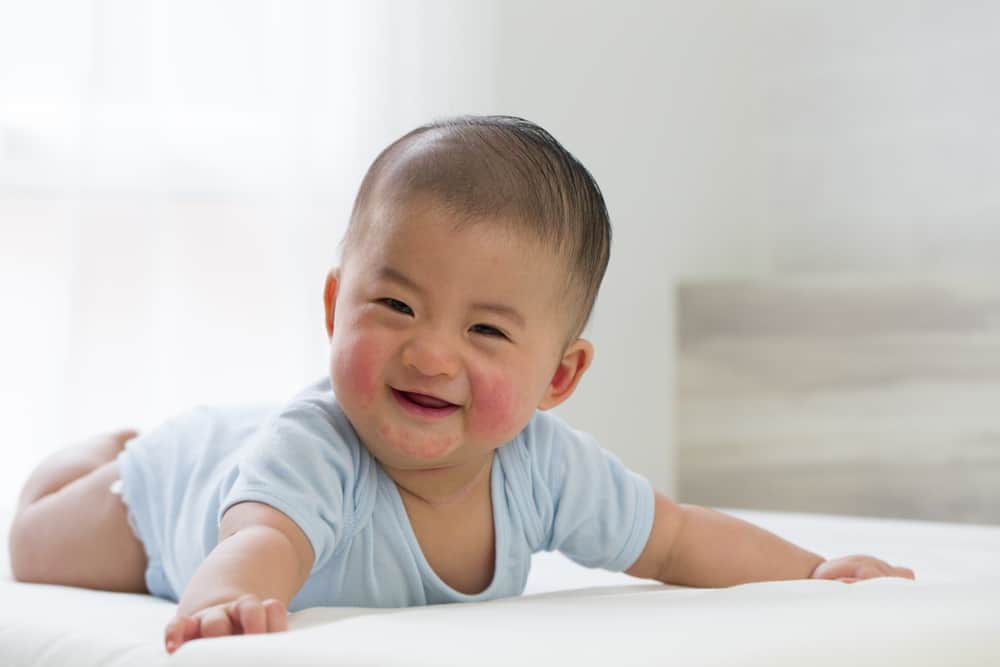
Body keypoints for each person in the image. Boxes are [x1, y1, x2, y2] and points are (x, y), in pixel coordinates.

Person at [8, 116, 914, 655]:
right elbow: (262, 543)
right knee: (35, 544)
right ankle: (108, 449)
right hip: (176, 489)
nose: (431, 354)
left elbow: (676, 538)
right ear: (336, 305)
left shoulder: (544, 469)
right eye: (395, 305)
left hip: (240, 458)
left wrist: (810, 567)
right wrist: (220, 605)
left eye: (484, 329)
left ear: (558, 375)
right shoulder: (316, 450)